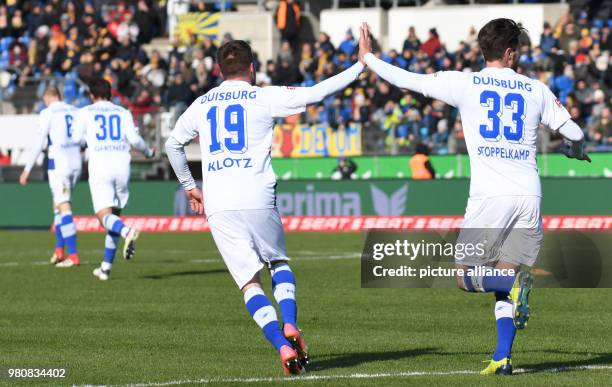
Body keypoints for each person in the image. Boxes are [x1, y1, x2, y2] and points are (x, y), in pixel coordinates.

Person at [360, 19, 590, 375]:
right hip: (529, 195)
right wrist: (574, 151)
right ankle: (503, 357)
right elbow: (574, 131)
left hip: (489, 199)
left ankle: (512, 289)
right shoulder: (536, 89)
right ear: (511, 52)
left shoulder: (463, 83)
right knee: (504, 275)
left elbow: (407, 79)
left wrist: (369, 58)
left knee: (466, 276)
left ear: (483, 50)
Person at [165, 40, 363, 375]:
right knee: (278, 261)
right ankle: (290, 323)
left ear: (218, 70)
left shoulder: (201, 103)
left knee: (249, 283)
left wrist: (190, 187)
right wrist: (359, 65)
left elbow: (172, 144)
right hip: (257, 193)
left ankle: (282, 345)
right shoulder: (262, 95)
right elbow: (315, 93)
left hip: (219, 202)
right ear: (252, 68)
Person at [72, 78, 155, 279]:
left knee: (104, 217)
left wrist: (89, 140)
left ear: (92, 95)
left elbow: (76, 139)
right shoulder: (123, 112)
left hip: (100, 167)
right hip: (121, 167)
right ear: (110, 93)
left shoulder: (84, 112)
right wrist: (148, 152)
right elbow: (135, 139)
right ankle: (105, 268)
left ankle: (127, 232)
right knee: (114, 216)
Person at [19, 86, 82, 266]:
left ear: (47, 97)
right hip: (76, 163)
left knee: (63, 206)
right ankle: (59, 251)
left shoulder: (47, 113)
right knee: (58, 205)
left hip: (59, 164)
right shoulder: (75, 110)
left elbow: (39, 142)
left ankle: (74, 255)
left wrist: (27, 169)